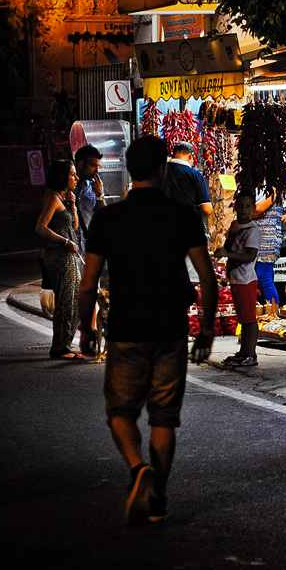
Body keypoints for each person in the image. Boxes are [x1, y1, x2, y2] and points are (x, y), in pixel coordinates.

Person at [77, 136, 217, 526]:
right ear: (161, 169)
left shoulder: (108, 218)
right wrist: (206, 328)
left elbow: (87, 284)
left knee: (120, 412)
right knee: (163, 418)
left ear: (129, 169)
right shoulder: (182, 215)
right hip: (171, 328)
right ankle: (158, 500)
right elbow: (207, 277)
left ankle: (138, 468)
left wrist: (86, 330)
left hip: (125, 329)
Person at [36, 159, 84, 360]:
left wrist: (73, 206)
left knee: (76, 300)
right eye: (72, 174)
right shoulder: (52, 200)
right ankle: (59, 348)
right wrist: (64, 242)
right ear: (62, 177)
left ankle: (66, 343)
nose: (76, 178)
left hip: (68, 255)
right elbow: (40, 228)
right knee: (65, 301)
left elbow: (73, 227)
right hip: (58, 256)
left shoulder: (63, 199)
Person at [215, 192, 260, 367]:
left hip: (247, 280)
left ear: (253, 209)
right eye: (240, 205)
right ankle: (243, 352)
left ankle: (251, 354)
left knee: (250, 319)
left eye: (247, 206)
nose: (243, 209)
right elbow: (229, 246)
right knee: (242, 318)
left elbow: (250, 256)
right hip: (236, 279)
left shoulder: (253, 231)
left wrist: (227, 254)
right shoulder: (234, 226)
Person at [161, 141, 212, 225]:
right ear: (191, 155)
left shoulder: (158, 172)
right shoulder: (195, 175)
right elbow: (207, 209)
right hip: (185, 229)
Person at [72, 143, 106, 258]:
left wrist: (99, 194)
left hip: (90, 248)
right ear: (81, 164)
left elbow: (103, 216)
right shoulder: (67, 185)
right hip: (72, 249)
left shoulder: (96, 186)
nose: (96, 170)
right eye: (93, 166)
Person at [253, 189, 284, 307]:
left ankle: (274, 314)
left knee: (263, 278)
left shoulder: (274, 187)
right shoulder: (259, 187)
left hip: (268, 240)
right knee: (260, 279)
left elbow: (259, 207)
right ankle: (265, 313)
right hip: (256, 240)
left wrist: (249, 213)